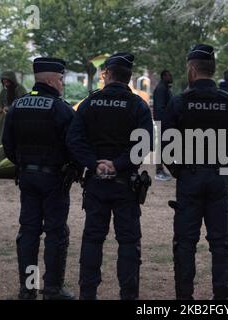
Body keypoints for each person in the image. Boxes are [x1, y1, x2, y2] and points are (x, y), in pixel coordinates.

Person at [162, 44, 228, 300]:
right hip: (219, 177)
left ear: (191, 69)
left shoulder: (179, 102)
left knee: (185, 243)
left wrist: (181, 172)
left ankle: (184, 298)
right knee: (221, 244)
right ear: (212, 70)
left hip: (190, 177)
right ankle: (222, 299)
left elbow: (167, 144)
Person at [66, 52, 153, 300]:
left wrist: (94, 164)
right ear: (129, 77)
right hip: (125, 184)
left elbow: (74, 140)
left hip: (95, 183)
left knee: (93, 239)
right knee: (128, 242)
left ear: (108, 74)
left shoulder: (90, 103)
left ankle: (88, 293)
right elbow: (144, 144)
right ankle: (128, 295)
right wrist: (118, 164)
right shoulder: (137, 105)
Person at [2, 58, 75, 300]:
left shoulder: (17, 105)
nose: (62, 84)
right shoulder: (61, 109)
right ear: (52, 80)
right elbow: (74, 146)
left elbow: (8, 145)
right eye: (62, 79)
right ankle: (52, 289)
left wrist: (24, 164)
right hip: (54, 179)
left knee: (29, 233)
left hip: (27, 176)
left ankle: (28, 289)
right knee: (55, 233)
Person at [153, 70, 173, 181]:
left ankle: (161, 170)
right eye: (169, 75)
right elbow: (160, 108)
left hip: (164, 122)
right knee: (161, 146)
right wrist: (166, 121)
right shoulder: (161, 89)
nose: (171, 77)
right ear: (164, 76)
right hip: (162, 122)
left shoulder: (165, 88)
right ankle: (159, 171)